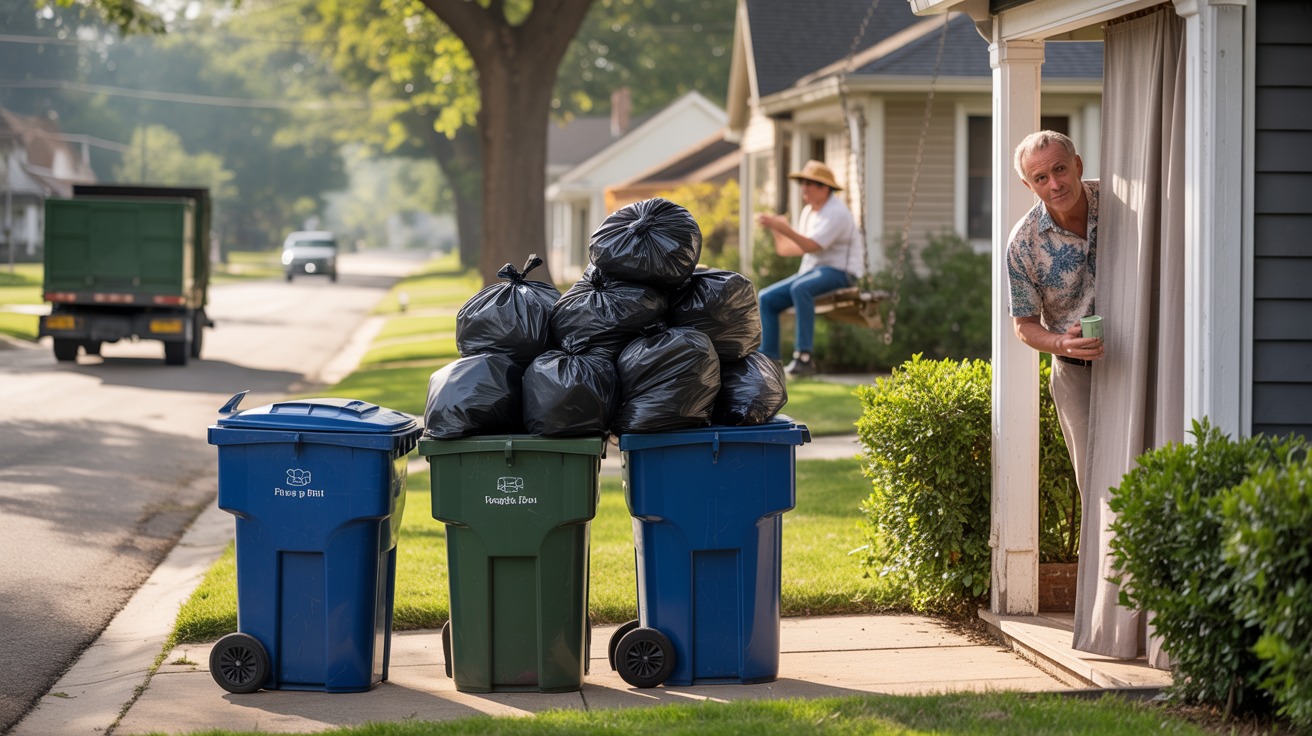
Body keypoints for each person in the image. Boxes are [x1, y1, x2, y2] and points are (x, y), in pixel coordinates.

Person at [1006, 130, 1104, 495]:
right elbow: (1024, 325)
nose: (1055, 184)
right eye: (1041, 178)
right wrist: (1061, 343)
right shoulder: (1022, 244)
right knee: (1095, 482)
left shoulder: (1122, 202)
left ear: (1077, 165)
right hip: (1076, 374)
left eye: (1060, 169)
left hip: (1142, 360)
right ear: (1028, 185)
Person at [755, 159, 864, 377]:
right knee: (766, 297)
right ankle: (768, 361)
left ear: (824, 188)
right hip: (812, 273)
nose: (803, 188)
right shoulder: (809, 212)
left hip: (840, 273)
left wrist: (783, 227)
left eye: (808, 183)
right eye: (802, 182)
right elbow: (788, 249)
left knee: (800, 288)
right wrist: (777, 230)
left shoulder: (837, 212)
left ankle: (804, 358)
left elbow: (812, 245)